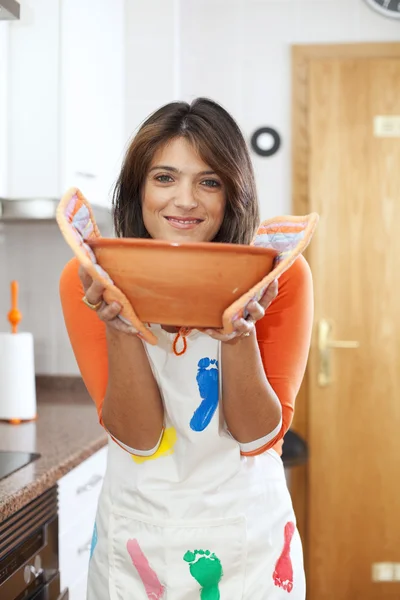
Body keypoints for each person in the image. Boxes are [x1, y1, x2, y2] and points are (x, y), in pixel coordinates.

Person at [60, 98, 313, 600]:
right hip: (138, 541)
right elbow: (139, 437)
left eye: (209, 181)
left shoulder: (279, 278)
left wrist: (238, 331)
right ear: (138, 188)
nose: (185, 200)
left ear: (233, 194)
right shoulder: (87, 279)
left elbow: (258, 435)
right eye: (165, 178)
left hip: (247, 542)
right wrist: (120, 324)